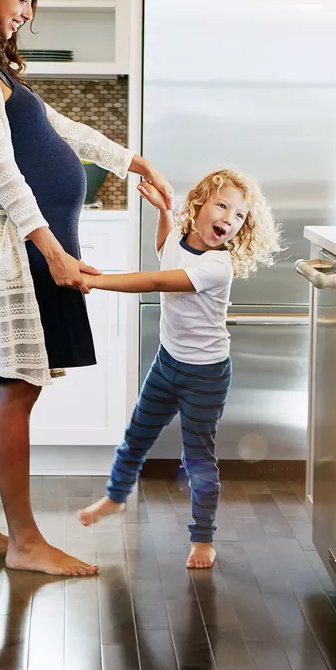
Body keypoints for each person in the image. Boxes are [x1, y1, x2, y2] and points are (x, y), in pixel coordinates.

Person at [0, 0, 173, 577]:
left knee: (0, 389)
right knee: (15, 389)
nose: (28, 12)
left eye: (33, 0)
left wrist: (131, 160)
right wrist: (54, 251)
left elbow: (55, 129)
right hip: (16, 256)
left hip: (27, 252)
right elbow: (1, 172)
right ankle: (26, 540)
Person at [77, 168, 282, 569]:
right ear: (200, 204)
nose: (228, 218)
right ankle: (116, 497)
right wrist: (163, 213)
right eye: (222, 205)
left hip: (205, 374)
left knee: (197, 458)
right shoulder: (180, 240)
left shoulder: (217, 267)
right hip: (168, 361)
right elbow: (164, 251)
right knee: (137, 435)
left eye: (239, 216)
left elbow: (156, 281)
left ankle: (202, 538)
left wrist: (97, 282)